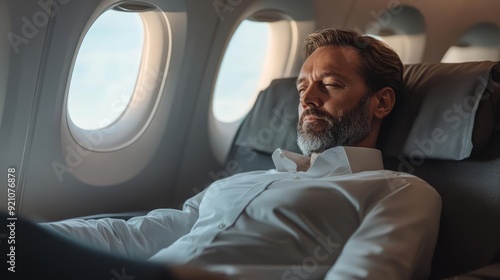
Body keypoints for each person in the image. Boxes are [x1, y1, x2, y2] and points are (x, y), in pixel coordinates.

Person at [40, 28, 441, 279]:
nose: (308, 100)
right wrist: (36, 237)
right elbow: (134, 235)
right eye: (302, 89)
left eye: (331, 84)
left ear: (382, 102)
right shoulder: (247, 180)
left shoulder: (398, 191)